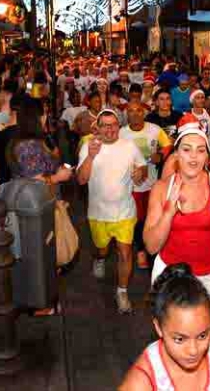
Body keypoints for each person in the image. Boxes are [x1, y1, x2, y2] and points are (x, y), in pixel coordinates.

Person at [144, 122, 210, 313]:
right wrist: (169, 211)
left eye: (200, 150)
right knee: (171, 330)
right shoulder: (161, 188)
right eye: (187, 149)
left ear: (207, 156)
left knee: (204, 329)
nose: (194, 156)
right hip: (170, 274)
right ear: (176, 155)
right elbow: (151, 246)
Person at [77, 109, 147, 314]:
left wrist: (139, 173)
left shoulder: (129, 146)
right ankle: (99, 259)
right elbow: (81, 179)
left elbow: (142, 168)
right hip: (98, 213)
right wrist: (90, 157)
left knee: (125, 252)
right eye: (105, 125)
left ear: (119, 126)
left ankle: (122, 291)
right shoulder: (89, 146)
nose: (110, 129)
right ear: (97, 128)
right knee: (102, 249)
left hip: (125, 212)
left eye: (114, 124)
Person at [118, 263, 210, 390]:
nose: (193, 350)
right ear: (158, 327)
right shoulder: (141, 384)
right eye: (180, 339)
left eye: (202, 336)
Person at [120, 102, 173, 270]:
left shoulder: (154, 129)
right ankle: (141, 251)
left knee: (153, 217)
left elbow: (168, 144)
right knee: (137, 219)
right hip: (131, 185)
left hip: (152, 184)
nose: (135, 114)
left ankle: (155, 247)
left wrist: (160, 155)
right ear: (127, 114)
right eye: (131, 111)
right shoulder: (122, 133)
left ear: (143, 113)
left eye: (138, 110)